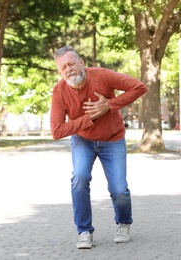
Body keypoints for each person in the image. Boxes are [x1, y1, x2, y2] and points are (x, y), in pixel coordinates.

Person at [50, 46, 147, 249]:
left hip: (112, 139)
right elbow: (57, 131)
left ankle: (123, 223)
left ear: (81, 62)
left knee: (119, 188)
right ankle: (84, 231)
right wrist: (89, 119)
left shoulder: (102, 75)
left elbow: (139, 87)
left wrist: (110, 105)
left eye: (71, 64)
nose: (68, 70)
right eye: (63, 68)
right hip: (83, 140)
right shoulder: (59, 91)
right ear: (60, 72)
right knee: (80, 177)